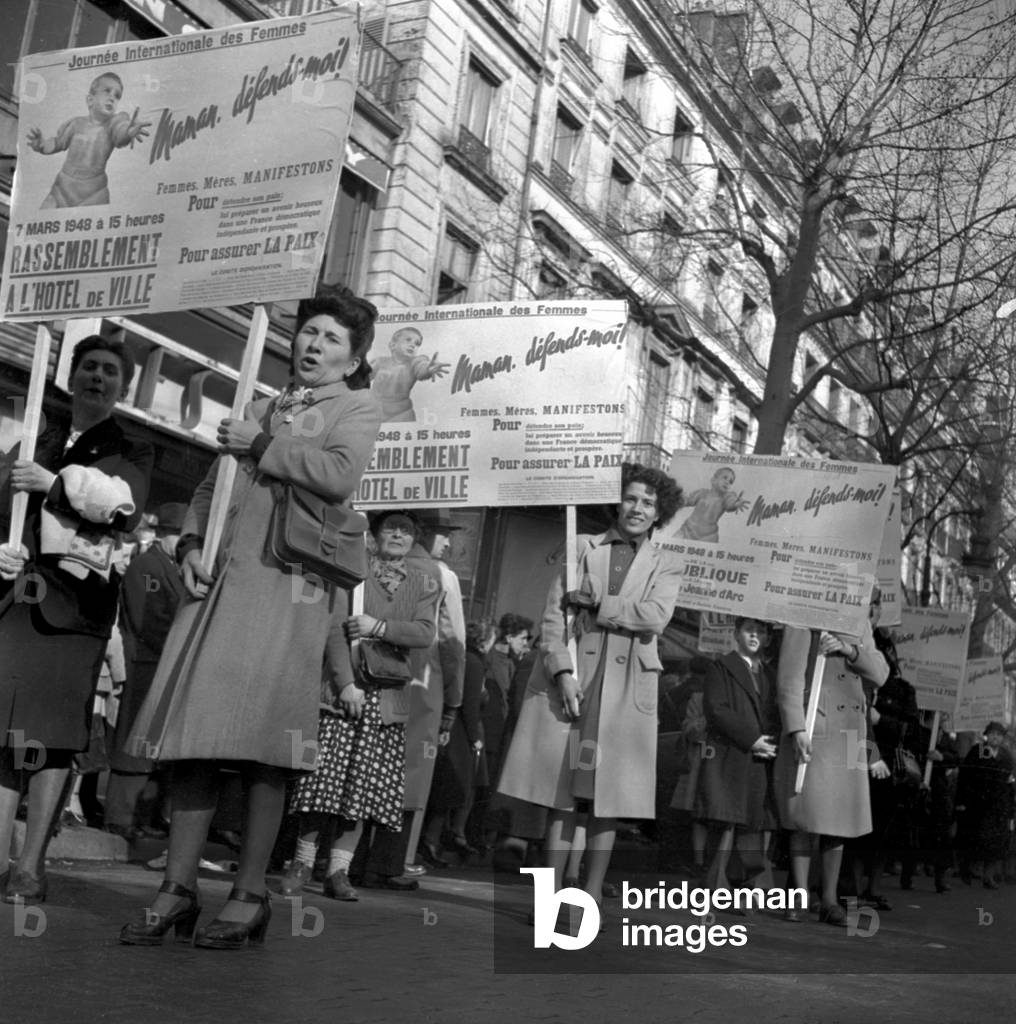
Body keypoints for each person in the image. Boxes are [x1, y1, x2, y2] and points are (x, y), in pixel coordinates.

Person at [120, 288, 381, 949]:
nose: (312, 345)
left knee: (266, 750)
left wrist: (261, 443)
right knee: (194, 742)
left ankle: (249, 891)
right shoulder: (258, 403)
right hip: (220, 590)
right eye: (308, 332)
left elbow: (340, 474)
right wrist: (187, 544)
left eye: (330, 339)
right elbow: (212, 489)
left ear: (353, 361)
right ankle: (177, 889)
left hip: (288, 594)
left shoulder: (354, 406)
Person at [0, 334, 153, 903]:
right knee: (6, 734)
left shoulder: (132, 448)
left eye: (109, 371)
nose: (97, 378)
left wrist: (55, 482)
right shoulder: (34, 435)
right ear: (70, 375)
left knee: (55, 738)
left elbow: (123, 506)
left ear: (123, 385)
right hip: (17, 603)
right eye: (88, 367)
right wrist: (4, 548)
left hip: (75, 611)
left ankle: (30, 866)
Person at [497, 463, 683, 915]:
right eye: (631, 498)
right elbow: (551, 620)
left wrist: (599, 602)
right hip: (578, 676)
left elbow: (655, 616)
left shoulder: (668, 560)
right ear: (617, 501)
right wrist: (561, 673)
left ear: (659, 513)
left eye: (648, 503)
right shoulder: (579, 547)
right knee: (559, 795)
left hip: (625, 689)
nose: (637, 509)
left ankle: (590, 894)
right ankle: (550, 900)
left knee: (607, 800)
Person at [282, 509, 440, 900]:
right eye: (391, 528)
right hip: (343, 695)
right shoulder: (353, 573)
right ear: (375, 534)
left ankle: (339, 873)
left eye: (406, 529)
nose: (399, 535)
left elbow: (424, 632)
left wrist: (380, 628)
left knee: (364, 792)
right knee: (322, 785)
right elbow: (334, 628)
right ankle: (301, 864)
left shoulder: (423, 583)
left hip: (388, 700)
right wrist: (346, 683)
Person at [774, 598, 889, 926]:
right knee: (804, 818)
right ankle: (796, 896)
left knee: (839, 822)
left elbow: (880, 674)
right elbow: (790, 677)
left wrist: (850, 649)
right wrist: (795, 726)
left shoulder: (860, 624)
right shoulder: (802, 614)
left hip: (850, 732)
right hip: (816, 726)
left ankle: (828, 899)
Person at [105, 502, 188, 839]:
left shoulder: (170, 566)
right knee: (134, 740)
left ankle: (140, 816)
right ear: (168, 535)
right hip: (145, 662)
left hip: (160, 665)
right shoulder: (146, 567)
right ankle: (121, 817)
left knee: (151, 745)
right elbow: (145, 620)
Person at [696, 617, 780, 894]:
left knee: (751, 826)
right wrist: (752, 739)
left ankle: (741, 887)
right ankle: (715, 888)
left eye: (761, 631)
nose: (755, 636)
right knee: (724, 823)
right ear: (736, 634)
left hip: (757, 760)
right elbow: (717, 709)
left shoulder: (769, 673)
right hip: (729, 756)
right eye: (749, 630)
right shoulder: (721, 667)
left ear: (768, 637)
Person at [421, 618, 493, 862]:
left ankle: (434, 840)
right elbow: (470, 704)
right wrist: (475, 739)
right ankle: (431, 841)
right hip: (461, 737)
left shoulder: (468, 660)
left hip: (457, 734)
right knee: (450, 790)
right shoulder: (473, 663)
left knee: (448, 791)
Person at [27, 72, 150, 208]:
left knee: (91, 226)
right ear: (90, 100)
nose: (112, 98)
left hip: (94, 193)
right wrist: (41, 144)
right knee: (44, 215)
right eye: (107, 91)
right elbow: (57, 143)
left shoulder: (113, 124)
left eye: (117, 95)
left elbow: (120, 134)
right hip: (63, 187)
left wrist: (129, 132)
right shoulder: (76, 124)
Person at [956, 721, 1015, 889]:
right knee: (976, 839)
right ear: (986, 735)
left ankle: (988, 876)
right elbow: (965, 777)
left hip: (999, 805)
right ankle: (967, 869)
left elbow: (1011, 781)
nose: (995, 737)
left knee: (996, 843)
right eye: (992, 734)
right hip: (978, 804)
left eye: (999, 734)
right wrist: (961, 801)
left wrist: (1010, 807)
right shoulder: (977, 751)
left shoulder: (1006, 755)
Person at [371, 327, 450, 422]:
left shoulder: (415, 362)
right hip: (374, 411)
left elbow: (421, 369)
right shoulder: (380, 362)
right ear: (393, 345)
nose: (413, 345)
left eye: (417, 344)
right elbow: (362, 377)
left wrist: (428, 369)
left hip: (401, 413)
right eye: (408, 340)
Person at [676, 467, 748, 542]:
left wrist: (736, 504)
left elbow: (730, 504)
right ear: (713, 480)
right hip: (687, 529)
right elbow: (688, 500)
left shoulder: (726, 497)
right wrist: (678, 499)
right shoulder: (702, 493)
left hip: (709, 536)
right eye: (725, 478)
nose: (727, 482)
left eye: (730, 482)